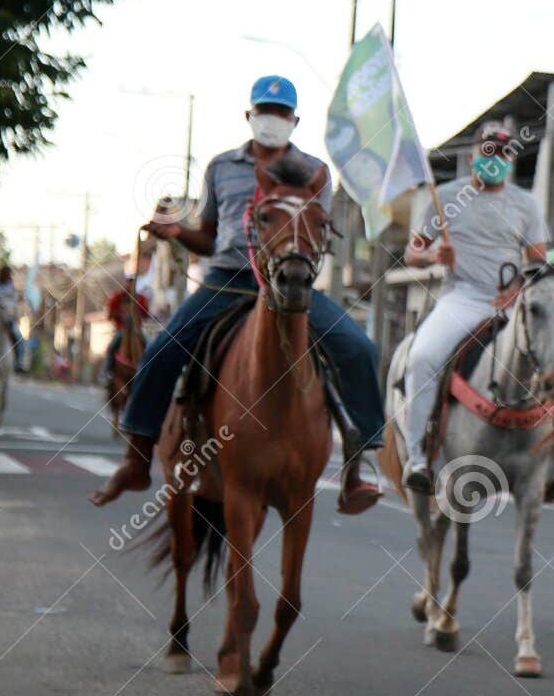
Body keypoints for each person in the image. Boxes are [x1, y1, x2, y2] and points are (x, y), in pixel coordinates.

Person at [88, 74, 385, 515]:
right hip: (225, 279)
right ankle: (137, 458)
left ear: (295, 120)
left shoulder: (315, 172)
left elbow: (318, 233)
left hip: (291, 282)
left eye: (282, 113)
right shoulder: (220, 167)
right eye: (266, 111)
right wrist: (177, 232)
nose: (273, 119)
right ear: (250, 115)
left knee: (359, 348)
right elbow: (208, 237)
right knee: (163, 350)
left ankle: (359, 468)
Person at [400, 121, 549, 493]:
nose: (494, 159)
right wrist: (434, 254)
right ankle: (417, 457)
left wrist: (516, 288)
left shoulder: (525, 203)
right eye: (488, 151)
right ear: (473, 155)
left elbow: (538, 261)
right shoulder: (446, 196)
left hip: (509, 303)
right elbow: (411, 254)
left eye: (502, 153)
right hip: (463, 297)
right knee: (422, 357)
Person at [102, 276, 151, 384]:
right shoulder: (118, 297)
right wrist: (120, 314)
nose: (130, 285)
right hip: (122, 329)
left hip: (137, 330)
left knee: (149, 347)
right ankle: (108, 372)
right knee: (112, 347)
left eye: (133, 283)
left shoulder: (141, 298)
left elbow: (146, 314)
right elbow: (110, 315)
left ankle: (149, 372)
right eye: (129, 282)